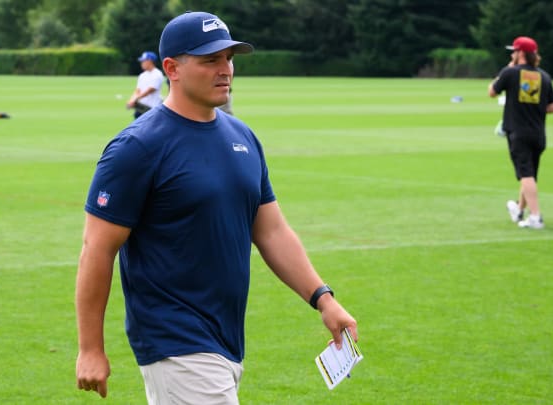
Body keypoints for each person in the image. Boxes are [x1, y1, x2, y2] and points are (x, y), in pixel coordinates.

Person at [75, 11, 358, 403]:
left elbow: (272, 231)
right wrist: (91, 348)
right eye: (210, 60)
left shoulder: (242, 137)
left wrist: (323, 299)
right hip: (174, 341)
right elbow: (97, 248)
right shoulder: (137, 148)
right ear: (171, 68)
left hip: (226, 337)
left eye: (229, 58)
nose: (225, 69)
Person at [488, 36, 553, 229]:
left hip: (518, 132)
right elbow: (552, 107)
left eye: (514, 51)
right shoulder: (544, 76)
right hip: (538, 133)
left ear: (520, 53)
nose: (512, 54)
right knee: (529, 174)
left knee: (525, 174)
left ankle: (536, 217)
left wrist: (508, 68)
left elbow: (492, 92)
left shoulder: (510, 73)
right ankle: (519, 210)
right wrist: (532, 107)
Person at [126, 51, 164, 119]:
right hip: (141, 108)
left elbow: (150, 90)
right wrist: (131, 99)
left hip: (151, 108)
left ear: (150, 61)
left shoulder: (157, 74)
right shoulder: (142, 75)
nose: (141, 63)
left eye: (143, 61)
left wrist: (135, 99)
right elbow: (138, 90)